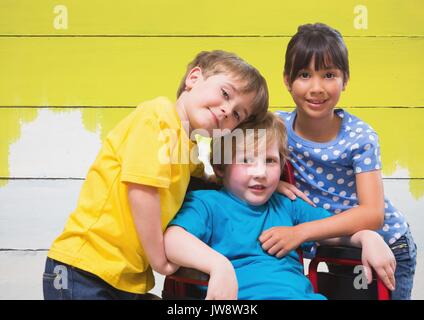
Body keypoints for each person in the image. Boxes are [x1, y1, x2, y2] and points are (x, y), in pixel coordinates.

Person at [42, 50, 269, 299]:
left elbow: (208, 185)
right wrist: (159, 258)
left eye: (238, 114)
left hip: (123, 279)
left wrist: (263, 181)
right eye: (225, 94)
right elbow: (142, 191)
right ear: (193, 78)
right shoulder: (157, 118)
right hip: (84, 267)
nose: (227, 110)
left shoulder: (187, 145)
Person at [164, 112, 395, 300]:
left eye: (270, 161)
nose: (261, 173)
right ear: (221, 167)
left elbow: (333, 231)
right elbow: (172, 239)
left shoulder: (288, 205)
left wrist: (367, 237)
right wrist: (218, 266)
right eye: (246, 160)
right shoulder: (207, 204)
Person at [273, 23, 416, 299]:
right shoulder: (276, 128)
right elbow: (234, 161)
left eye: (329, 75)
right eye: (304, 74)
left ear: (345, 79)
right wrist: (275, 185)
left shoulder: (360, 138)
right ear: (287, 80)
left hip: (385, 246)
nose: (317, 88)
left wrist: (301, 232)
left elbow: (372, 214)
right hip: (333, 247)